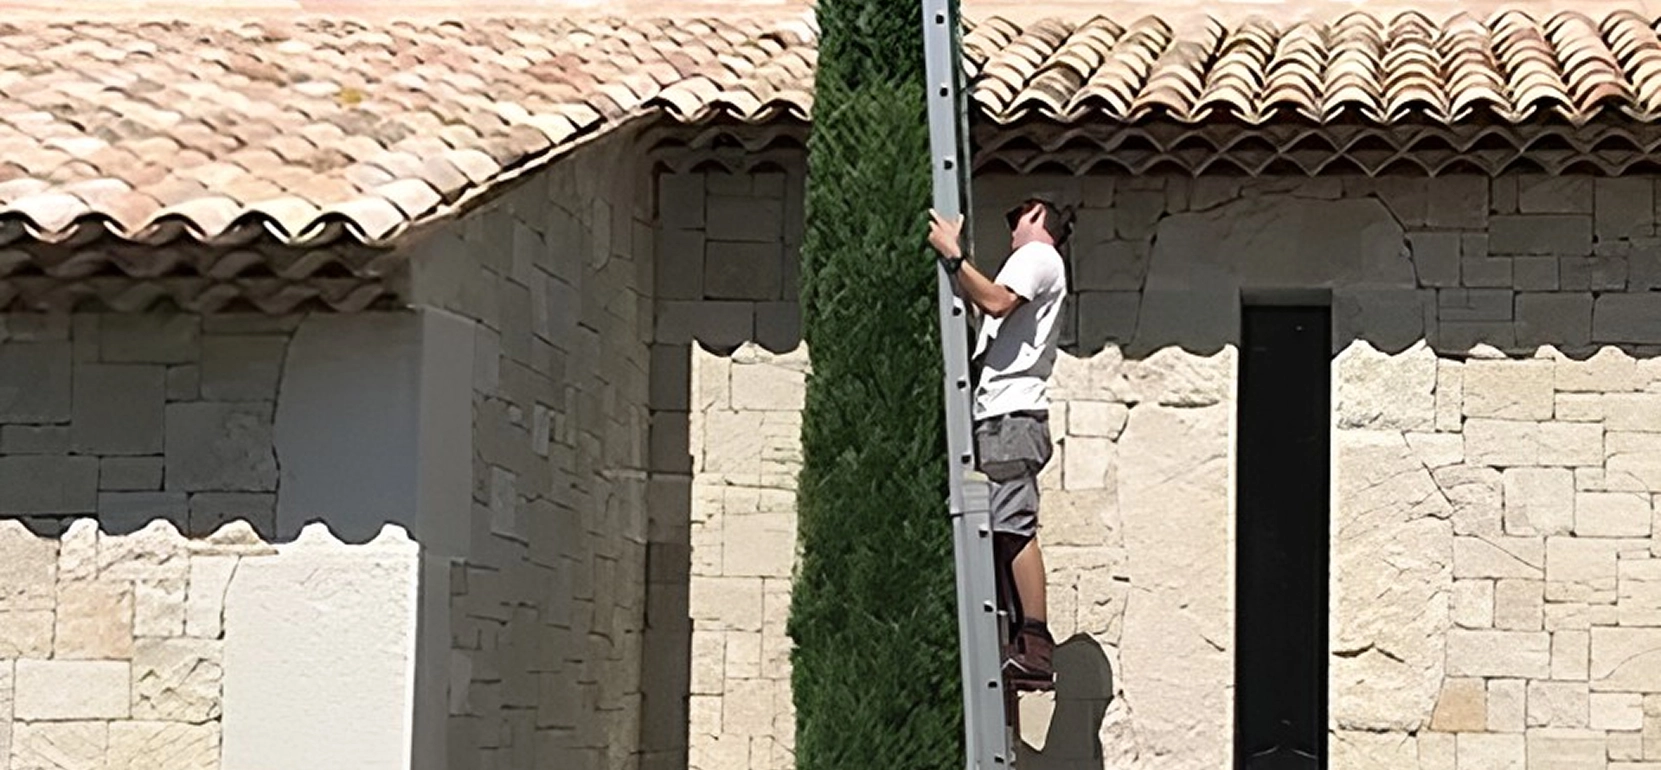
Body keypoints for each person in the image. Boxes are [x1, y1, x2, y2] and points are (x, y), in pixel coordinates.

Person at [927, 195, 1072, 692]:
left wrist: (953, 254)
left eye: (1019, 216)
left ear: (1040, 218)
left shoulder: (1038, 256)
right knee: (1001, 529)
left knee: (1013, 526)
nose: (1012, 228)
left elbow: (995, 301)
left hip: (1012, 415)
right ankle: (1018, 643)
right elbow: (986, 302)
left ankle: (1034, 644)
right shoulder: (1032, 265)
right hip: (1001, 415)